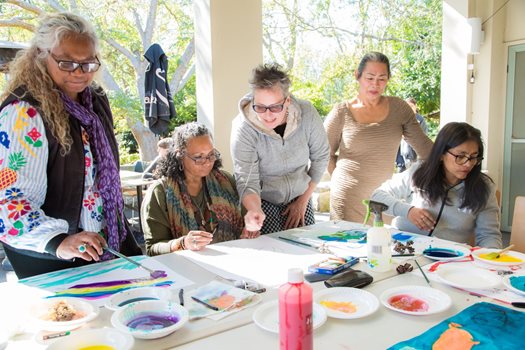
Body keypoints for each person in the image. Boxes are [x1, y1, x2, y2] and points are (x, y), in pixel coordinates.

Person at [0, 13, 142, 279]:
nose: (79, 73)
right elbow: (8, 200)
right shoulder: (24, 112)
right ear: (42, 56)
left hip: (104, 242)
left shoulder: (95, 100)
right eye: (67, 63)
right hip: (53, 253)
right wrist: (60, 241)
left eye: (88, 63)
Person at [324, 52, 433, 223]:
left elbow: (426, 150)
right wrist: (340, 177)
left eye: (382, 78)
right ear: (357, 76)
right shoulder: (341, 112)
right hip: (346, 199)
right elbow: (322, 154)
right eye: (370, 77)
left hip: (383, 201)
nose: (375, 84)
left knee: (381, 246)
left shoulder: (400, 109)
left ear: (388, 79)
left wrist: (454, 154)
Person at [231, 63, 329, 234]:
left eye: (275, 107)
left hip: (301, 193)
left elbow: (321, 157)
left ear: (287, 101)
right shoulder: (243, 127)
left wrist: (303, 200)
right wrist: (254, 210)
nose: (268, 115)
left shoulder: (307, 113)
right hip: (263, 198)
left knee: (306, 249)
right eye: (260, 107)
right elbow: (246, 179)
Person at [371, 122, 502, 248]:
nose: (468, 164)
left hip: (447, 259)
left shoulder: (484, 188)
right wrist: (408, 211)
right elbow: (376, 197)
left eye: (474, 157)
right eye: (460, 156)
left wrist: (490, 258)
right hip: (401, 249)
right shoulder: (419, 173)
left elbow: (489, 236)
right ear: (441, 154)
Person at [141, 122, 250, 256]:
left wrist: (249, 230)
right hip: (185, 269)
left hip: (230, 262)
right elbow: (152, 249)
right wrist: (182, 243)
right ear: (180, 155)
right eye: (198, 157)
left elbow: (246, 222)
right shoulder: (160, 192)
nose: (208, 162)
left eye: (211, 154)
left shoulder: (226, 182)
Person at [395, 97, 428, 172]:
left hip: (414, 156)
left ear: (415, 106)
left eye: (411, 106)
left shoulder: (420, 120)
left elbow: (422, 138)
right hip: (401, 156)